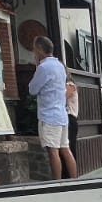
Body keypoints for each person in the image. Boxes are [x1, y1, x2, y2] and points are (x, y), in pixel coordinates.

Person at [29, 37, 75, 179]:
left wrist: (37, 65)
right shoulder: (59, 65)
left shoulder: (43, 67)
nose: (34, 53)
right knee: (65, 149)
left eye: (35, 49)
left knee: (53, 151)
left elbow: (32, 89)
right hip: (61, 114)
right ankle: (74, 180)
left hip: (49, 115)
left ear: (39, 50)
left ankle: (56, 183)